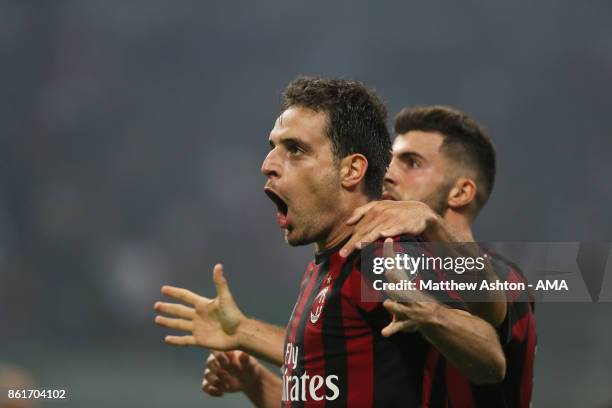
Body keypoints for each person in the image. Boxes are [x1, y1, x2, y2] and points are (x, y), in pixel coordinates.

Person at [154, 78, 506, 407]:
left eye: (295, 149)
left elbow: (491, 358)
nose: (268, 165)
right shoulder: (327, 262)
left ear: (351, 170)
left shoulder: (384, 254)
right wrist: (252, 370)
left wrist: (430, 313)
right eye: (273, 147)